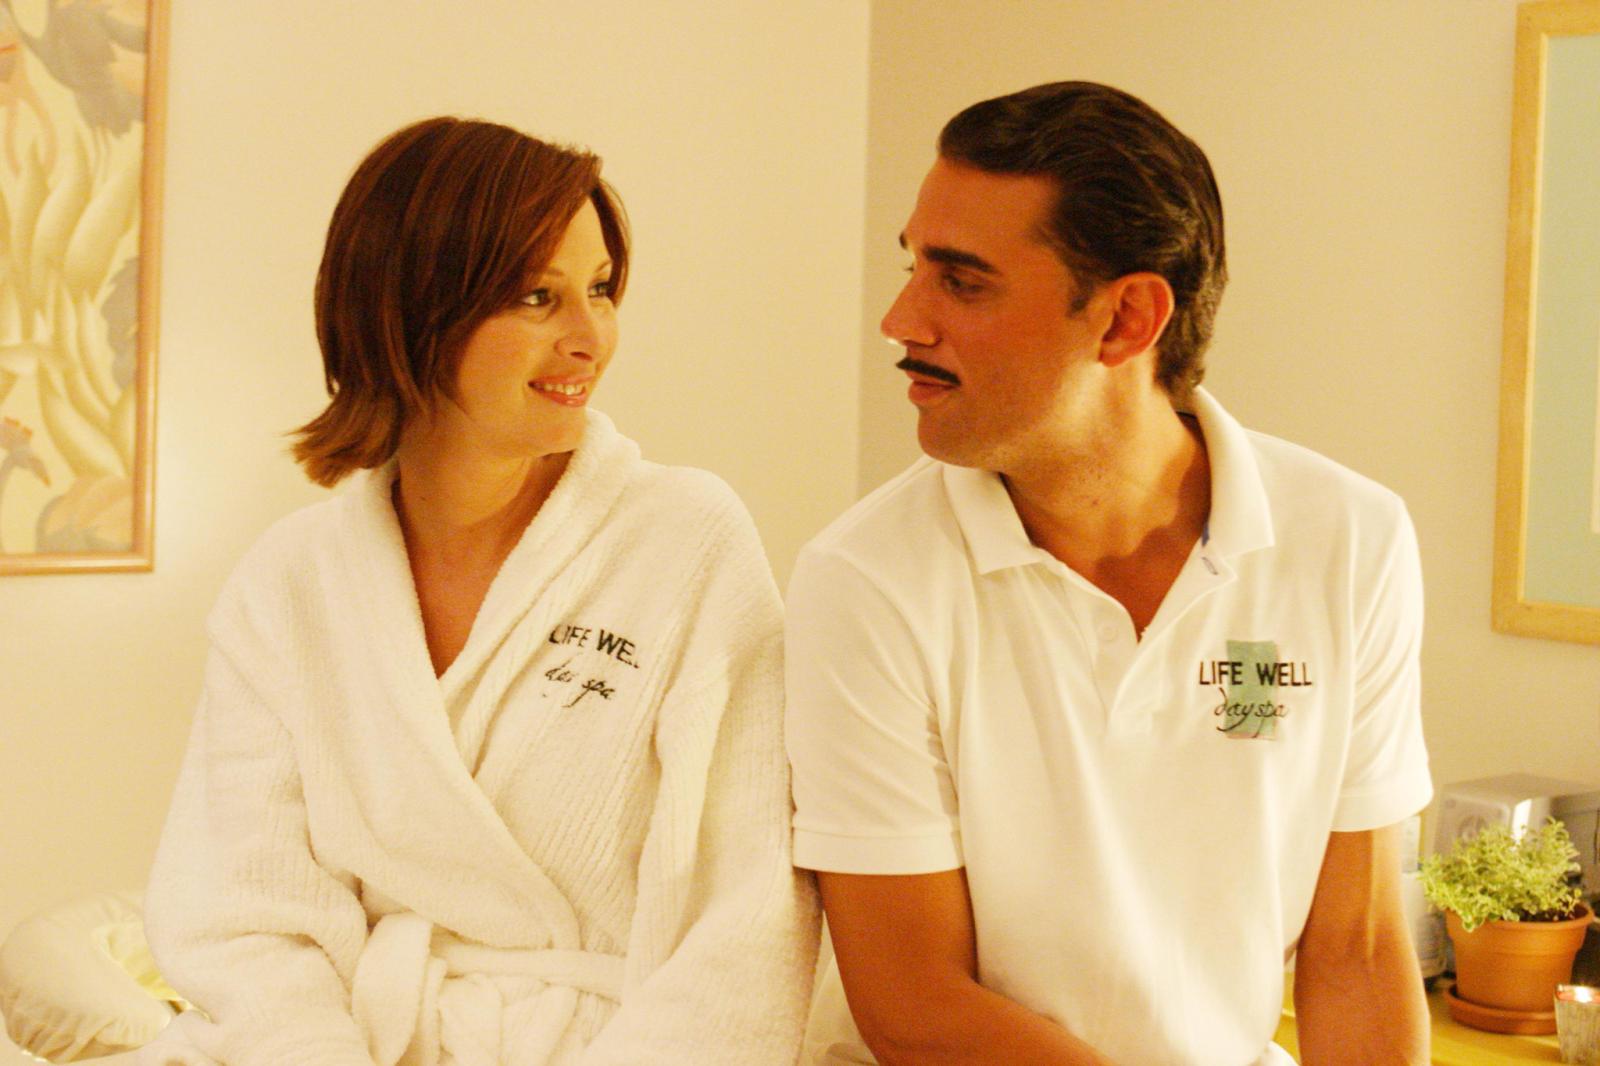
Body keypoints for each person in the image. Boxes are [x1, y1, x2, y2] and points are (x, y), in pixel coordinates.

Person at [136, 117, 819, 1065]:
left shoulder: (684, 540)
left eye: (601, 290)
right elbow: (242, 916)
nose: (589, 338)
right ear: (412, 310)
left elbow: (745, 924)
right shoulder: (290, 585)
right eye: (539, 297)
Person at [784, 82, 1431, 1065]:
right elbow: (916, 1007)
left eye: (961, 282)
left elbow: (1358, 947)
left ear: (1127, 318)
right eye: (914, 267)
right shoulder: (866, 581)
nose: (900, 318)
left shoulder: (1351, 541)